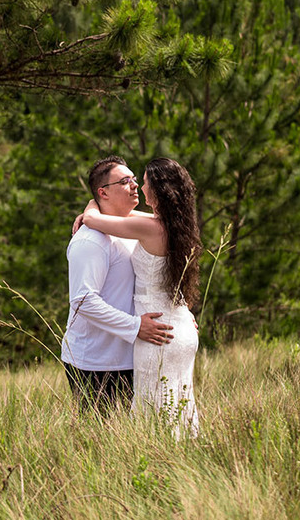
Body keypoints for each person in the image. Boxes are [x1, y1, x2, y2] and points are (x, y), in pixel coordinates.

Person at [75, 157, 201, 437]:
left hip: (157, 330)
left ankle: (160, 467)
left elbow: (94, 219)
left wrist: (93, 204)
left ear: (156, 191)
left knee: (154, 413)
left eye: (142, 183)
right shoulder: (175, 224)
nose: (138, 188)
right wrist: (99, 198)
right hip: (179, 325)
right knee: (178, 405)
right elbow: (119, 217)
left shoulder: (150, 228)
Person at [61, 156, 175, 413]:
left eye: (135, 179)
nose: (135, 185)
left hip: (130, 355)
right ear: (104, 192)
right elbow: (83, 301)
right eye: (125, 181)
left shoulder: (131, 230)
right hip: (95, 362)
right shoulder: (90, 241)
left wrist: (179, 313)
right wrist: (136, 327)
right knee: (98, 440)